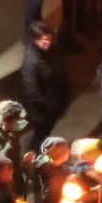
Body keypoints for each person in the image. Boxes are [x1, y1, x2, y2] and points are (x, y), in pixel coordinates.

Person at [21, 22, 70, 153]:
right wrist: (51, 107)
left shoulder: (51, 51)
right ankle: (34, 154)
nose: (48, 42)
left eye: (50, 39)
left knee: (45, 132)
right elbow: (32, 91)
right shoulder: (31, 62)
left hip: (54, 104)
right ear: (36, 40)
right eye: (44, 40)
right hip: (42, 110)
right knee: (40, 133)